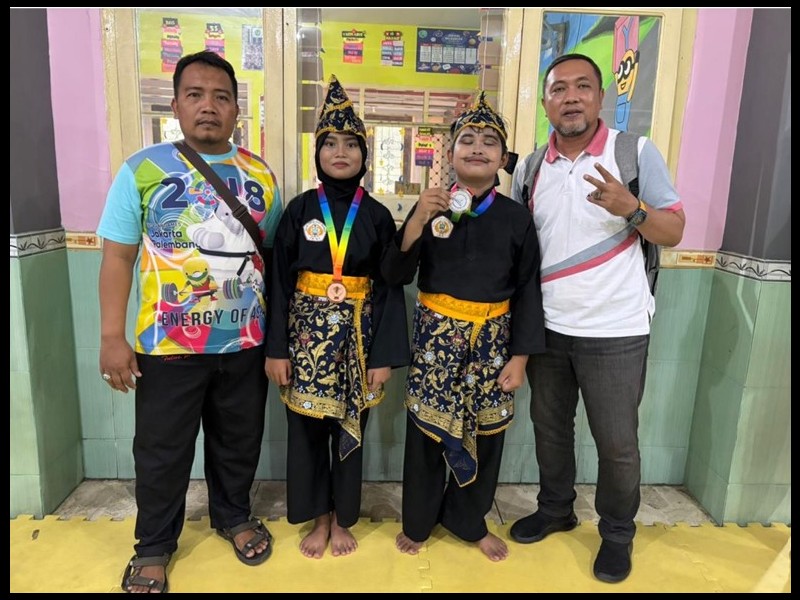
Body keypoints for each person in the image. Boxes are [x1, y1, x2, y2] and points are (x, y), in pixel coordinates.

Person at [97, 51, 283, 593]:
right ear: (175, 105)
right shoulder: (142, 169)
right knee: (162, 452)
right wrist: (111, 337)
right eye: (195, 95)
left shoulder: (259, 174)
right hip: (167, 346)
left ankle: (233, 516)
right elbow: (117, 258)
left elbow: (271, 258)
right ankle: (153, 546)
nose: (208, 106)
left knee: (238, 442)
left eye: (221, 97)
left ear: (236, 110)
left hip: (244, 343)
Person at [509, 53, 685, 583]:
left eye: (582, 86)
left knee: (616, 443)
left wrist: (632, 208)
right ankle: (555, 509)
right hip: (549, 327)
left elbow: (674, 230)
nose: (571, 97)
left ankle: (617, 534)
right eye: (559, 88)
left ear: (600, 96)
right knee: (549, 429)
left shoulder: (634, 152)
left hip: (617, 330)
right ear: (545, 102)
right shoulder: (530, 167)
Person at [383, 92, 545, 562]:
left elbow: (528, 289)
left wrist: (520, 358)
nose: (477, 148)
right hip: (435, 343)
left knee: (487, 435)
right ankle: (419, 522)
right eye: (467, 139)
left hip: (493, 345)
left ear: (503, 157)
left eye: (489, 141)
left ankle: (469, 522)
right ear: (450, 153)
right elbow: (395, 274)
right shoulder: (431, 209)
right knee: (426, 436)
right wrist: (417, 219)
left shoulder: (517, 218)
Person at [265, 75, 409, 559]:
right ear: (317, 152)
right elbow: (278, 283)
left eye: (351, 144)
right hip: (305, 344)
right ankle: (319, 518)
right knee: (307, 433)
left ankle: (343, 517)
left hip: (359, 344)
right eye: (330, 143)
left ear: (365, 154)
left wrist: (383, 357)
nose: (340, 152)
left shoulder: (378, 215)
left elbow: (390, 289)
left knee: (350, 429)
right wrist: (277, 350)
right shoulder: (299, 210)